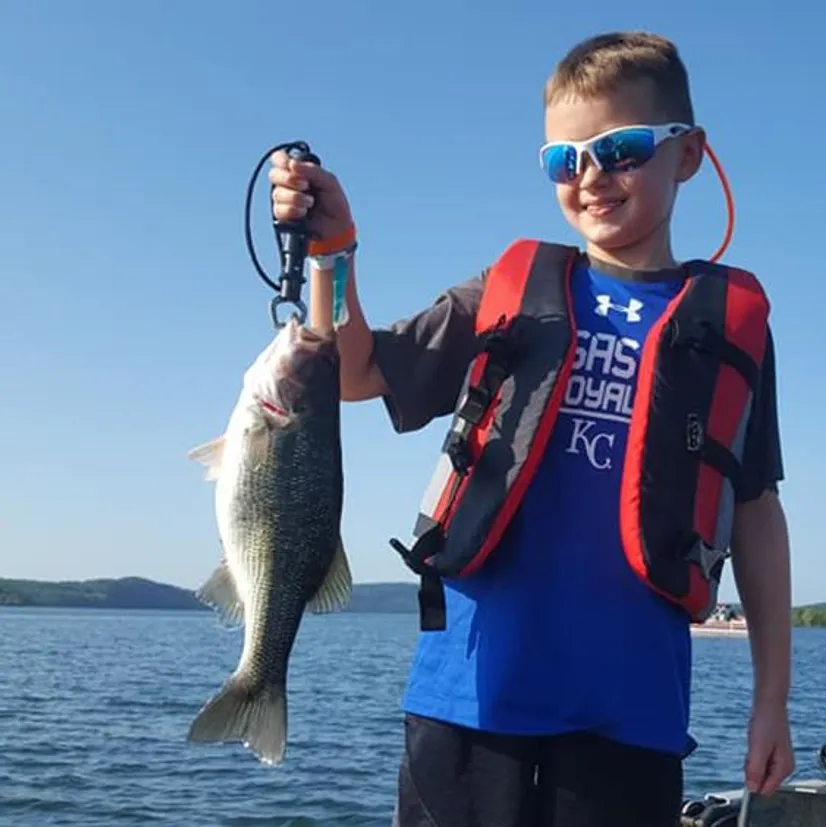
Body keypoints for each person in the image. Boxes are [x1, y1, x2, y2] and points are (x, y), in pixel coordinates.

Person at [269, 30, 795, 827]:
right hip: (468, 702)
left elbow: (755, 513)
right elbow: (353, 372)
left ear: (687, 155)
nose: (591, 178)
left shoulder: (729, 326)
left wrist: (771, 700)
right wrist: (330, 253)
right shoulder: (510, 289)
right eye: (564, 160)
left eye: (619, 149)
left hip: (631, 714)